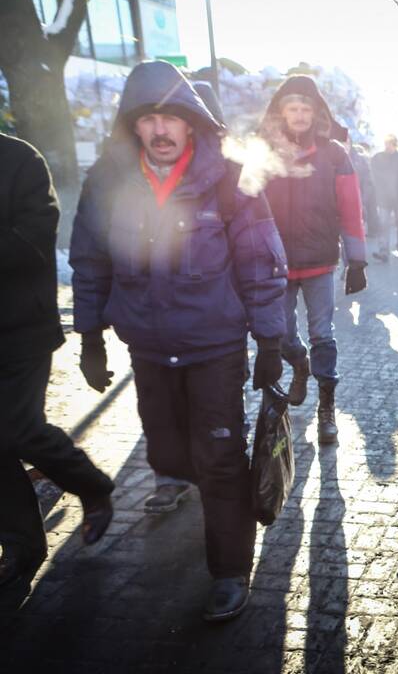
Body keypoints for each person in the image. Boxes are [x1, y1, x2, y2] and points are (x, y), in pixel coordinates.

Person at [70, 61, 288, 621]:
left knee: (218, 459)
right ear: (133, 127)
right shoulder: (106, 182)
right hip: (147, 349)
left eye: (172, 118)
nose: (161, 130)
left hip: (214, 348)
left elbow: (261, 263)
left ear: (192, 124)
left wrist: (269, 341)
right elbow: (91, 261)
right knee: (167, 453)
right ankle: (209, 492)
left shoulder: (230, 177)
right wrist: (90, 335)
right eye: (148, 119)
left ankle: (230, 570)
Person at [0, 133, 115, 613]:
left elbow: (34, 239)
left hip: (20, 328)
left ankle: (92, 485)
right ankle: (22, 547)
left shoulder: (20, 158)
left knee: (17, 427)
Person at [258, 75, 368, 444]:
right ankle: (299, 364)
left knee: (323, 333)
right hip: (277, 263)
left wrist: (357, 261)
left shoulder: (335, 153)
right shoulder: (264, 150)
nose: (300, 115)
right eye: (293, 108)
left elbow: (351, 209)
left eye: (306, 108)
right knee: (281, 334)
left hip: (321, 261)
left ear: (316, 111)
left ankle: (327, 408)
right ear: (281, 112)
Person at [140, 78, 230, 517]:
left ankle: (207, 479)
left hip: (212, 324)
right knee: (161, 410)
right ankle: (170, 477)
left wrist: (270, 334)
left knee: (210, 416)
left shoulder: (229, 174)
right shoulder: (136, 176)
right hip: (156, 327)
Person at [371, 134, 398, 259]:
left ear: (395, 144)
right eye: (386, 143)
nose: (387, 146)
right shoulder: (377, 158)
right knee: (383, 224)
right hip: (384, 198)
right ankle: (383, 251)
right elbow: (374, 176)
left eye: (390, 143)